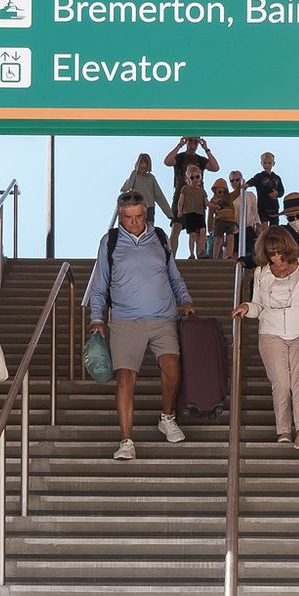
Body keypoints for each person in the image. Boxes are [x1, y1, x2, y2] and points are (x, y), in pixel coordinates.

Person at [87, 190, 199, 461]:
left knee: (172, 366)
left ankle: (167, 417)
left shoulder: (159, 237)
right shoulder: (110, 241)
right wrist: (97, 319)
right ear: (120, 217)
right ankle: (126, 441)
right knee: (126, 377)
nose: (134, 222)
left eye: (138, 216)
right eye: (127, 218)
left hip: (163, 317)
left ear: (146, 213)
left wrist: (186, 300)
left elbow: (174, 275)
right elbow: (99, 284)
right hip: (126, 320)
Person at [232, 227, 299, 452]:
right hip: (271, 333)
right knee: (281, 383)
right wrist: (247, 307)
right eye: (271, 254)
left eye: (279, 252)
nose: (276, 258)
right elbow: (258, 306)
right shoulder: (261, 273)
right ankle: (283, 430)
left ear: (289, 249)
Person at [119, 153, 173, 224]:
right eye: (141, 162)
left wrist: (169, 214)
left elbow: (159, 196)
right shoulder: (134, 175)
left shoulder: (151, 178)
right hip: (137, 207)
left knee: (148, 230)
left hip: (149, 208)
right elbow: (126, 188)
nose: (143, 165)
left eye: (146, 162)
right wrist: (133, 174)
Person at [172, 161, 208, 259]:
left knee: (203, 231)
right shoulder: (185, 189)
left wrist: (214, 205)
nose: (195, 179)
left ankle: (201, 250)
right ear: (188, 179)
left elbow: (206, 202)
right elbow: (180, 201)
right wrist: (179, 211)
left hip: (199, 213)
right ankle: (192, 253)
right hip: (189, 213)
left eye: (197, 177)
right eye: (192, 178)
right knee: (192, 234)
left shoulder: (201, 191)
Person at [247, 152, 284, 228]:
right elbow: (252, 181)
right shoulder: (259, 176)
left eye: (269, 163)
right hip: (262, 207)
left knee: (274, 227)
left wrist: (277, 194)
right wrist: (246, 185)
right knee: (264, 227)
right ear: (261, 163)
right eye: (265, 163)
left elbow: (281, 191)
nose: (267, 165)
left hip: (274, 207)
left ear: (273, 163)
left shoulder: (277, 178)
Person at [208, 178, 240, 261]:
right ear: (215, 191)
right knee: (218, 239)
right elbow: (210, 214)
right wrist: (210, 226)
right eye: (220, 192)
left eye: (224, 192)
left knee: (230, 238)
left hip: (230, 220)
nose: (222, 194)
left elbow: (236, 193)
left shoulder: (229, 197)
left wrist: (240, 185)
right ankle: (215, 257)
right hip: (219, 220)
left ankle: (229, 255)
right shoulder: (213, 200)